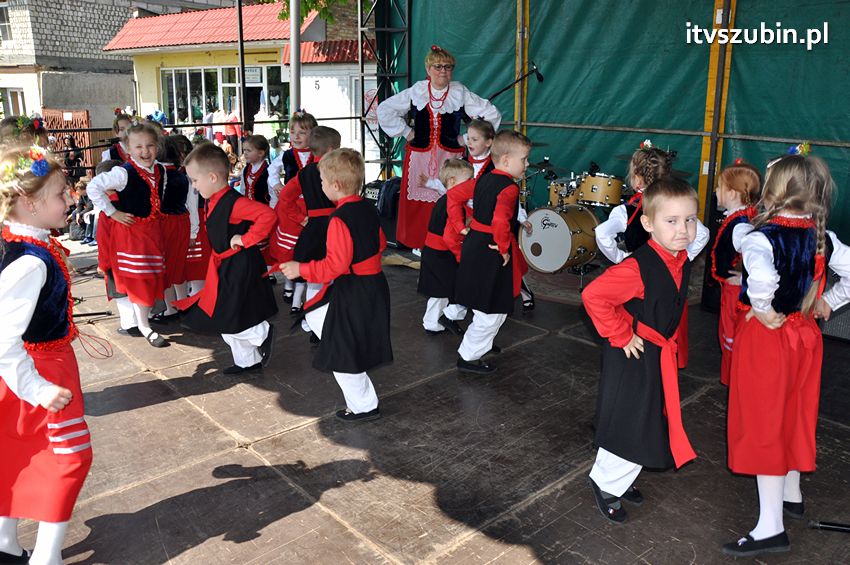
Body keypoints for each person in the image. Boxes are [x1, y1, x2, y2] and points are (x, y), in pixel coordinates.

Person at [723, 151, 850, 557]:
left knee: (765, 424)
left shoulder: (760, 236)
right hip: (806, 337)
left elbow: (761, 278)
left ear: (774, 191)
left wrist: (763, 308)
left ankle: (770, 527)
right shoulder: (821, 236)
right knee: (794, 412)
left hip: (769, 338)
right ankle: (791, 493)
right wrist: (829, 299)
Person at [582, 177, 700, 524]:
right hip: (634, 353)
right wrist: (621, 334)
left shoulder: (680, 258)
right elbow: (594, 296)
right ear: (647, 224)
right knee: (631, 419)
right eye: (672, 221)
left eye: (690, 219)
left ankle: (622, 476)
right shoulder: (637, 267)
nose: (683, 229)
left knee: (644, 416)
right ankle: (606, 483)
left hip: (653, 353)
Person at [0, 144, 92, 564]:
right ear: (29, 203)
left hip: (29, 368)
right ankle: (46, 556)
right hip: (39, 369)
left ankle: (5, 539)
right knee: (68, 458)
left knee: (19, 452)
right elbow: (4, 338)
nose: (71, 198)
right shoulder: (29, 262)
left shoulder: (18, 241)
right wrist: (37, 388)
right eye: (60, 193)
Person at [281, 148, 392, 422]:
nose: (320, 186)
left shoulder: (338, 219)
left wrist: (300, 268)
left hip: (355, 288)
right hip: (371, 284)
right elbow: (379, 243)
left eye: (322, 181)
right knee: (321, 319)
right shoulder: (367, 207)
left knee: (343, 351)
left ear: (336, 185)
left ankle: (364, 406)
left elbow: (335, 266)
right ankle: (363, 399)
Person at [595, 140, 710, 368]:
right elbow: (703, 233)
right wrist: (683, 255)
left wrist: (621, 260)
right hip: (669, 282)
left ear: (637, 176)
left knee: (641, 326)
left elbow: (601, 234)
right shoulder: (675, 206)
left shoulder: (626, 210)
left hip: (640, 287)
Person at [377, 45, 501, 251]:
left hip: (451, 157)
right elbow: (385, 109)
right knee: (422, 198)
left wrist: (465, 139)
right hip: (419, 157)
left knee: (450, 198)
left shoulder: (460, 93)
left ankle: (449, 242)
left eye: (448, 67)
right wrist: (407, 132)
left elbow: (492, 115)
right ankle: (421, 244)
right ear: (428, 69)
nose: (443, 71)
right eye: (438, 66)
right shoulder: (417, 91)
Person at [176, 143, 278, 375]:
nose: (193, 186)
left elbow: (268, 215)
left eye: (194, 180)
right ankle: (247, 361)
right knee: (225, 315)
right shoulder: (211, 199)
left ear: (212, 177)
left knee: (227, 315)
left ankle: (261, 333)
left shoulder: (234, 202)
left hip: (239, 264)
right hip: (225, 264)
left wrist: (246, 238)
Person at [449, 130, 531, 374]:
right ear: (506, 160)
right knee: (492, 307)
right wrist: (504, 248)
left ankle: (480, 343)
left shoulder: (481, 179)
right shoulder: (509, 188)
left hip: (476, 244)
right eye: (524, 159)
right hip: (492, 249)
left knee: (487, 302)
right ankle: (469, 355)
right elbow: (500, 220)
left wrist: (460, 226)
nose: (527, 164)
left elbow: (453, 196)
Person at [87, 122, 169, 347]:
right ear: (127, 149)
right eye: (139, 147)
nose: (145, 151)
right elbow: (93, 187)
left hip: (151, 232)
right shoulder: (123, 172)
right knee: (139, 279)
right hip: (132, 234)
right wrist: (113, 213)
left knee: (150, 277)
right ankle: (144, 326)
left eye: (150, 146)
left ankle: (144, 319)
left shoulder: (159, 169)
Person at [276, 126, 341, 316]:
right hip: (334, 225)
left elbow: (285, 198)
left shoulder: (303, 174)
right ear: (330, 150)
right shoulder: (335, 171)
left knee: (313, 269)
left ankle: (309, 310)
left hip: (312, 227)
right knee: (334, 266)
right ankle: (327, 311)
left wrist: (301, 218)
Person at [708, 159, 760, 385]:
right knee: (727, 332)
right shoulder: (736, 218)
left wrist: (745, 276)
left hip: (734, 292)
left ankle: (736, 378)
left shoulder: (741, 225)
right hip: (729, 288)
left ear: (731, 192)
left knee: (730, 333)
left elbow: (756, 255)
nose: (716, 191)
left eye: (719, 187)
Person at [418, 158, 473, 335]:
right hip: (441, 253)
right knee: (441, 290)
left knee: (442, 290)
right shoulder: (453, 205)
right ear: (452, 182)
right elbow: (450, 238)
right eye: (468, 180)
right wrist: (460, 255)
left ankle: (435, 320)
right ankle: (433, 322)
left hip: (436, 252)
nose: (472, 184)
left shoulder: (446, 200)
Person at [268, 111, 317, 305]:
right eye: (292, 132)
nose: (296, 136)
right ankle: (289, 283)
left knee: (305, 247)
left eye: (302, 132)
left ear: (313, 134)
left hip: (311, 205)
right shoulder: (287, 155)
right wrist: (275, 184)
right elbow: (272, 170)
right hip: (290, 206)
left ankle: (305, 285)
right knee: (289, 248)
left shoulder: (317, 155)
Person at [151, 136, 198, 323]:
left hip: (163, 224)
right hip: (182, 222)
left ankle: (171, 309)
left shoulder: (155, 174)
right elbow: (192, 205)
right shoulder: (184, 175)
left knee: (165, 269)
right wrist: (194, 231)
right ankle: (183, 304)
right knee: (178, 266)